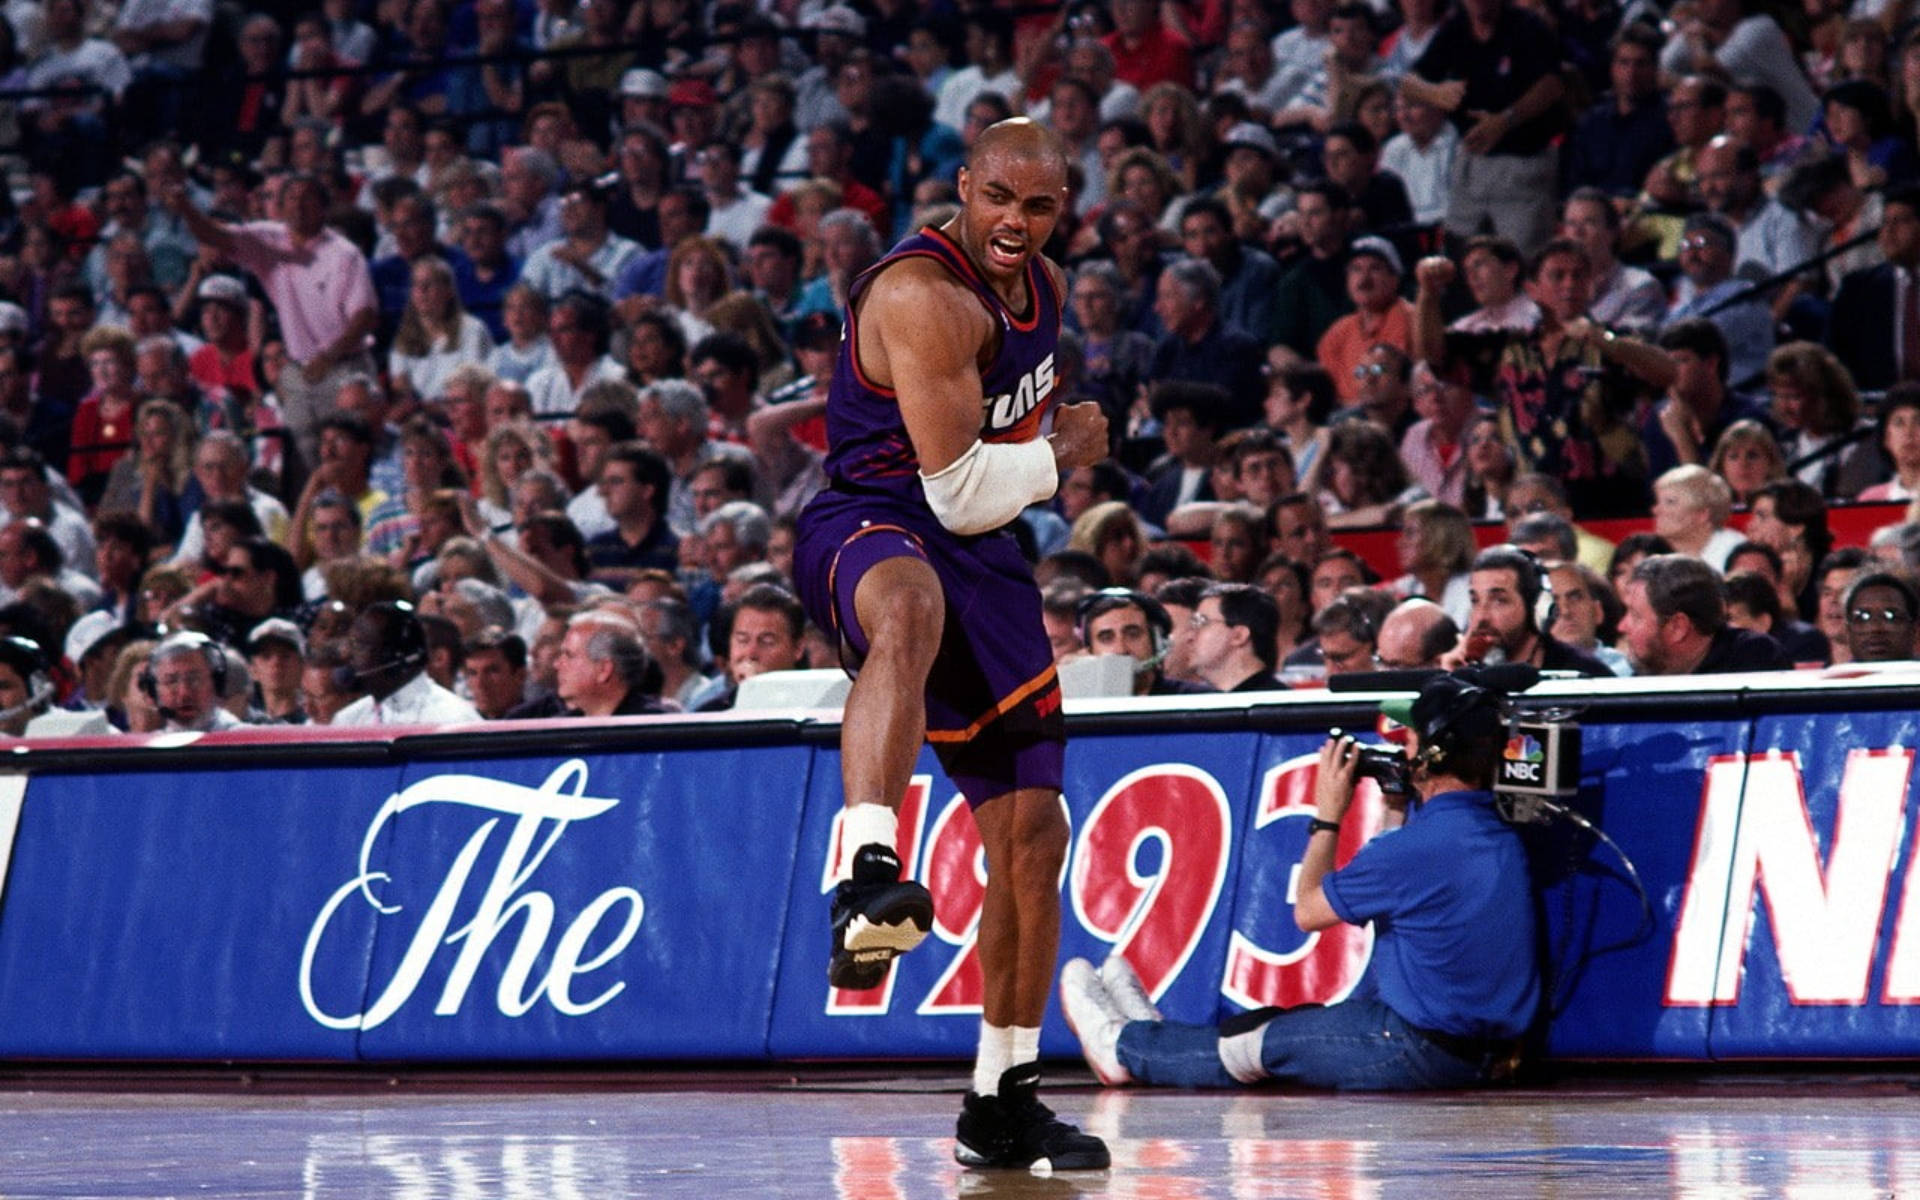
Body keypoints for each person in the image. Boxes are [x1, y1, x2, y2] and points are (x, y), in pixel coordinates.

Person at [791, 118, 1108, 1171]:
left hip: (982, 552)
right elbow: (959, 489)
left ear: (1062, 211)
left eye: (1040, 205)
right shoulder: (920, 294)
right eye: (1000, 198)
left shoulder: (1042, 287)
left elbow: (985, 486)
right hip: (873, 520)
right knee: (910, 609)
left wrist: (1037, 456)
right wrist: (1065, 451)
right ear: (965, 187)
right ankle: (866, 872)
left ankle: (1002, 1100)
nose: (1017, 220)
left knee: (1034, 833)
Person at [1062, 667, 1541, 1091]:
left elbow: (1309, 911)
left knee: (1255, 1045)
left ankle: (1124, 1050)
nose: (1401, 749)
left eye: (1410, 740)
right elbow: (1402, 885)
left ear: (1434, 755)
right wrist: (1395, 807)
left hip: (1414, 1048)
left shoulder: (1415, 849)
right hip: (1479, 1054)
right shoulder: (1499, 836)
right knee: (1278, 1026)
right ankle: (1151, 1037)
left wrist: (1328, 814)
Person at [1617, 554, 1792, 675]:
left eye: (1636, 616)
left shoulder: (1756, 659)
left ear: (1678, 627)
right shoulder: (1645, 671)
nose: (1622, 626)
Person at [1460, 544, 1614, 675]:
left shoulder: (1585, 674)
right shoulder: (1468, 673)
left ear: (1537, 609)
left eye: (1499, 601)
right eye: (1475, 601)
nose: (1481, 617)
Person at [330, 600, 482, 725]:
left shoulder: (454, 719)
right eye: (350, 644)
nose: (347, 655)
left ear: (397, 658)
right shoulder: (348, 720)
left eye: (359, 646)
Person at [1079, 587, 1213, 696]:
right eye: (1106, 638)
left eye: (1133, 635)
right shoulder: (1075, 707)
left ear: (1156, 643)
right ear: (1090, 651)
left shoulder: (1200, 701)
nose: (1121, 649)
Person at [143, 630, 247, 732]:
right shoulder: (153, 741)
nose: (184, 693)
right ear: (154, 692)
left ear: (216, 683)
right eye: (171, 681)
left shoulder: (244, 738)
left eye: (194, 680)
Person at [1839, 571, 1919, 664]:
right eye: (1862, 618)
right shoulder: (1832, 673)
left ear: (1914, 630)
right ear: (1848, 631)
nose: (1875, 628)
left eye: (1891, 617)